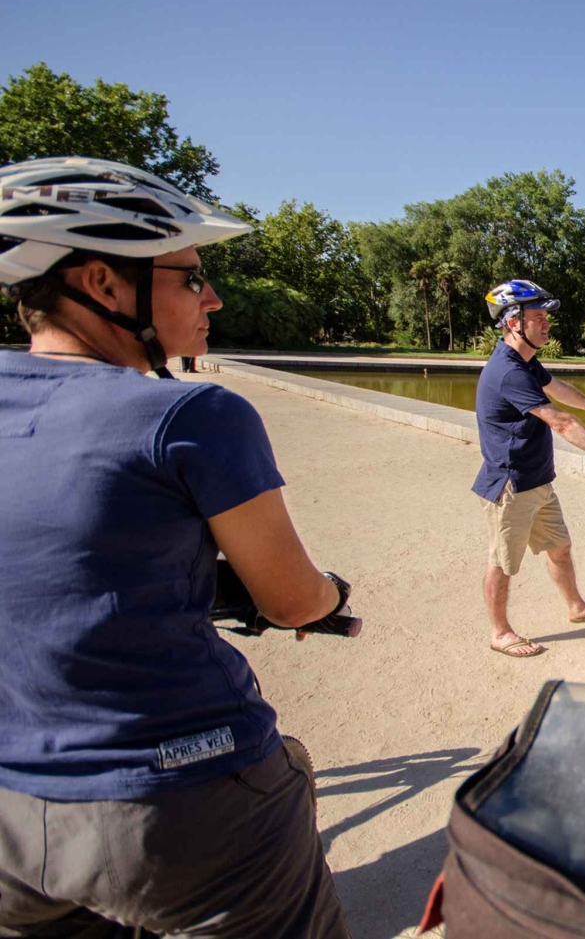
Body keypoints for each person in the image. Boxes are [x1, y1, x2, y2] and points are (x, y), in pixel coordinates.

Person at [0, 157, 351, 937]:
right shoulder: (194, 413)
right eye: (191, 276)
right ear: (103, 282)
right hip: (181, 804)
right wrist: (334, 592)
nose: (213, 296)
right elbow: (292, 599)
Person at [474, 279, 585, 658]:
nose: (547, 323)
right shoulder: (508, 371)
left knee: (560, 549)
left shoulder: (526, 362)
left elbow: (558, 388)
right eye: (538, 317)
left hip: (536, 481)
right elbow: (562, 422)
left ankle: (575, 606)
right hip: (511, 485)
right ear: (513, 322)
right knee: (502, 563)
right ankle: (500, 633)